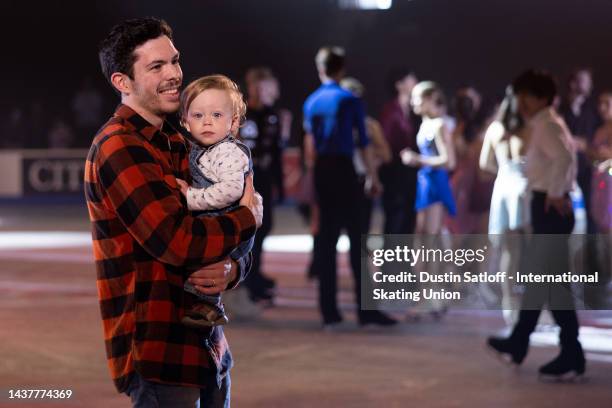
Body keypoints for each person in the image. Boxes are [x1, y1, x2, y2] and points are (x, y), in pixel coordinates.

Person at [86, 18, 262, 407]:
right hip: (160, 355)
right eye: (156, 67)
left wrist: (232, 269)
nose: (174, 75)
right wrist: (248, 219)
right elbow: (178, 242)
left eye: (175, 61)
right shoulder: (120, 147)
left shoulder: (180, 139)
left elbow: (222, 231)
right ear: (122, 82)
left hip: (206, 347)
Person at [487, 70, 584, 381]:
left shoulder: (547, 124)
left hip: (549, 208)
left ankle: (565, 350)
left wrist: (555, 192)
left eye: (525, 95)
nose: (521, 102)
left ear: (540, 97)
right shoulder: (543, 123)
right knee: (545, 283)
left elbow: (565, 158)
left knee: (551, 285)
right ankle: (526, 342)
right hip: (546, 206)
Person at [303, 46, 396, 329]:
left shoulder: (311, 101)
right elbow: (364, 143)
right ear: (342, 69)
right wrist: (373, 177)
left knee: (327, 243)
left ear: (320, 69)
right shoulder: (350, 100)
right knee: (358, 241)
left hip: (322, 170)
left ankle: (329, 312)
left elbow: (310, 147)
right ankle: (366, 311)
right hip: (345, 170)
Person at [174, 74, 256, 329]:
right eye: (198, 116)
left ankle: (208, 305)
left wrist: (191, 197)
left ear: (233, 123)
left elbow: (231, 191)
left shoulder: (229, 151)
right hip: (225, 225)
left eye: (216, 116)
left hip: (231, 229)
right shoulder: (202, 148)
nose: (207, 121)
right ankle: (205, 303)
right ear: (185, 122)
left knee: (203, 262)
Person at [479, 87, 530, 324]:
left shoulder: (495, 129)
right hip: (524, 187)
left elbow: (484, 163)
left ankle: (508, 305)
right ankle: (531, 306)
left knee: (509, 251)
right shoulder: (527, 128)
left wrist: (502, 172)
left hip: (503, 187)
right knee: (533, 249)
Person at [239, 67, 286, 302]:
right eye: (262, 87)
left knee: (265, 228)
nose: (267, 92)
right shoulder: (243, 115)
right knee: (251, 231)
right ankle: (248, 280)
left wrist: (281, 185)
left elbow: (276, 152)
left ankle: (255, 274)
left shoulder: (273, 114)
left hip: (265, 179)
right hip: (247, 181)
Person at [400, 81, 456, 234]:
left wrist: (417, 160)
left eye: (416, 98)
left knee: (429, 235)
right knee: (421, 232)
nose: (412, 102)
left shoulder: (439, 125)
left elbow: (449, 161)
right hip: (425, 180)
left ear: (430, 98)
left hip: (435, 182)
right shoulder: (424, 124)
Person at [340, 76, 392, 233]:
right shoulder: (334, 124)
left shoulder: (369, 125)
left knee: (361, 230)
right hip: (338, 180)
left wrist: (364, 150)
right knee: (331, 230)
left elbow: (386, 154)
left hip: (361, 181)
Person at [379, 69, 420, 234]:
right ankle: (392, 259)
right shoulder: (390, 110)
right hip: (394, 172)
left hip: (411, 172)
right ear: (399, 84)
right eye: (411, 79)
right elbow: (384, 141)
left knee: (409, 219)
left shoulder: (414, 110)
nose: (415, 82)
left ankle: (403, 259)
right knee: (395, 219)